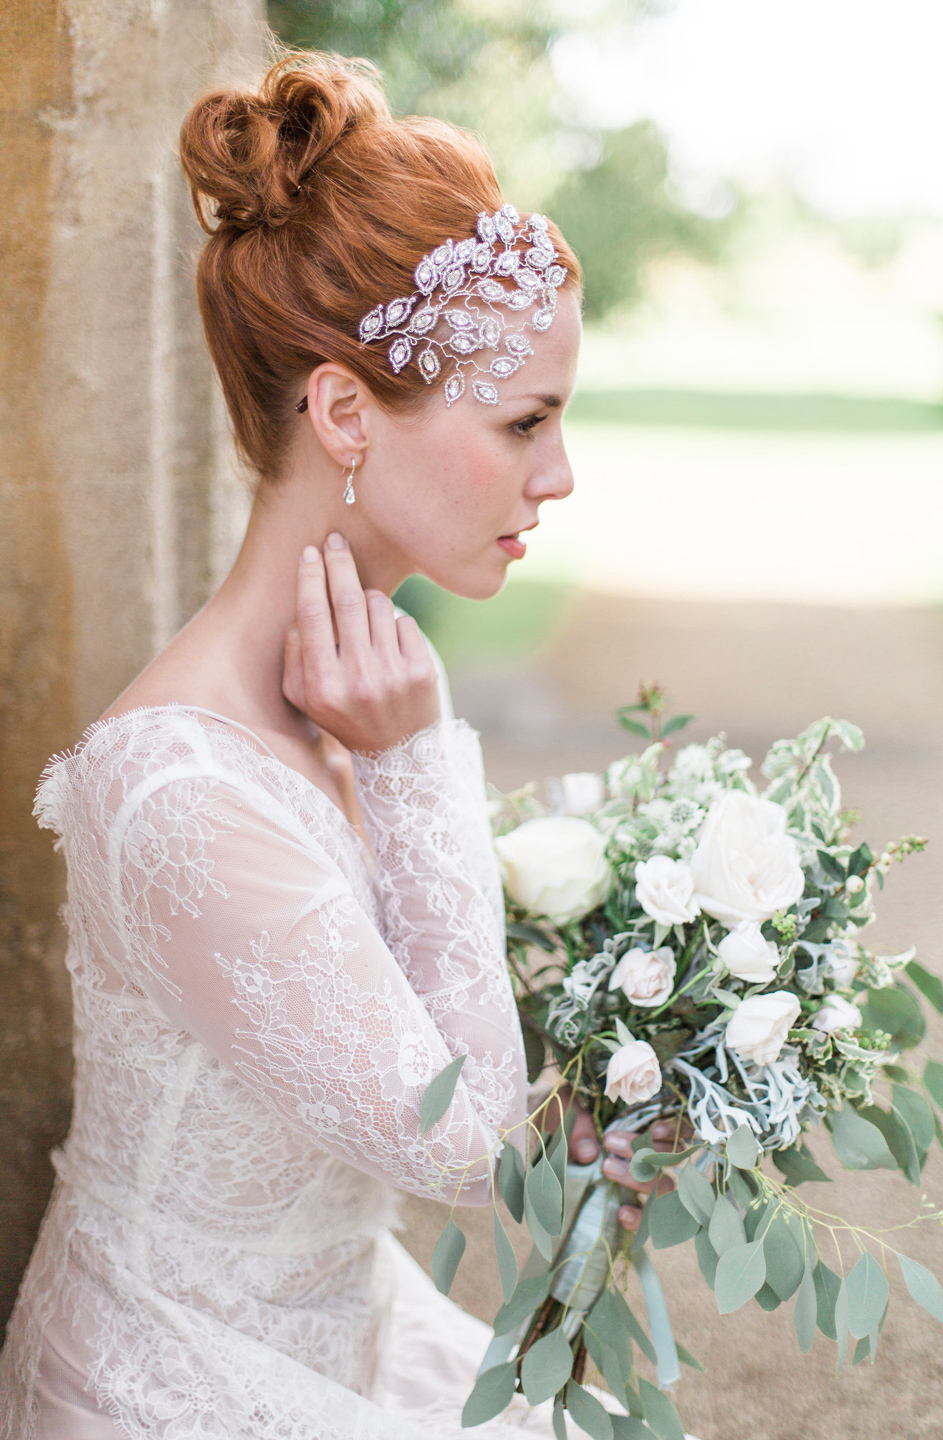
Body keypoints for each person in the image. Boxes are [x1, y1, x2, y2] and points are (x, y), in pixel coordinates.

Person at [0, 52, 682, 1439]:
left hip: (349, 1326)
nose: (557, 475)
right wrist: (420, 762)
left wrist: (611, 1103)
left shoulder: (354, 703)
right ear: (346, 413)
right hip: (175, 1381)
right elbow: (455, 1148)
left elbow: (423, 1032)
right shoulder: (177, 791)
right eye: (524, 423)